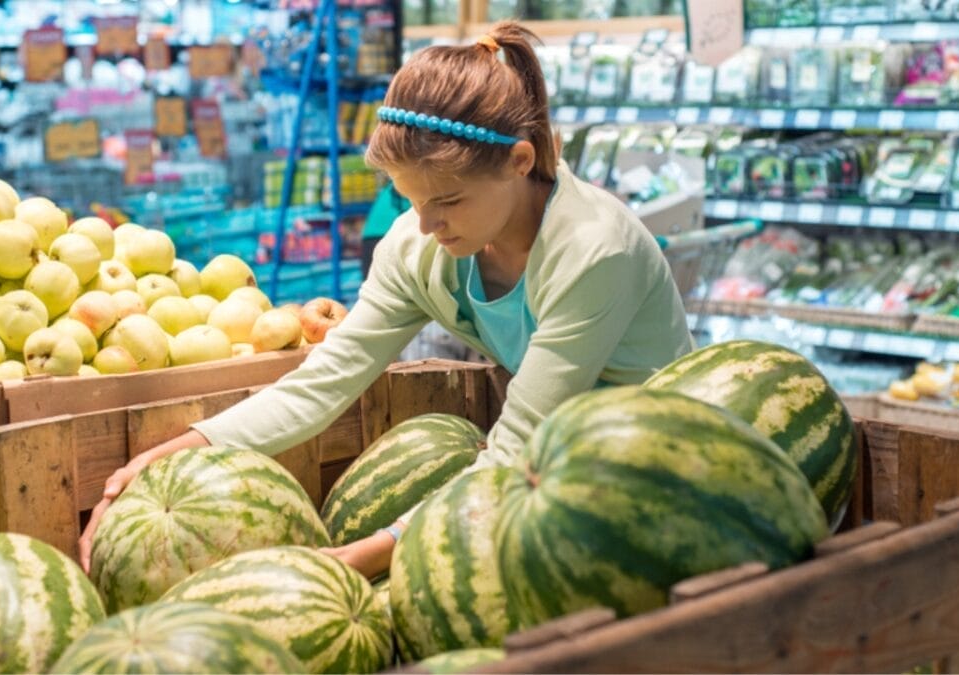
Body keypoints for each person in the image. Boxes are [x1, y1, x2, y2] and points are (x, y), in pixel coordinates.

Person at [79, 21, 693, 579]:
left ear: (520, 160)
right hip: (550, 471)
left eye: (448, 202)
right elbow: (321, 383)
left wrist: (364, 555)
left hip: (659, 475)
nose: (426, 226)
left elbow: (517, 445)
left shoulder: (593, 252)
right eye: (410, 200)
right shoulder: (420, 250)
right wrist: (162, 458)